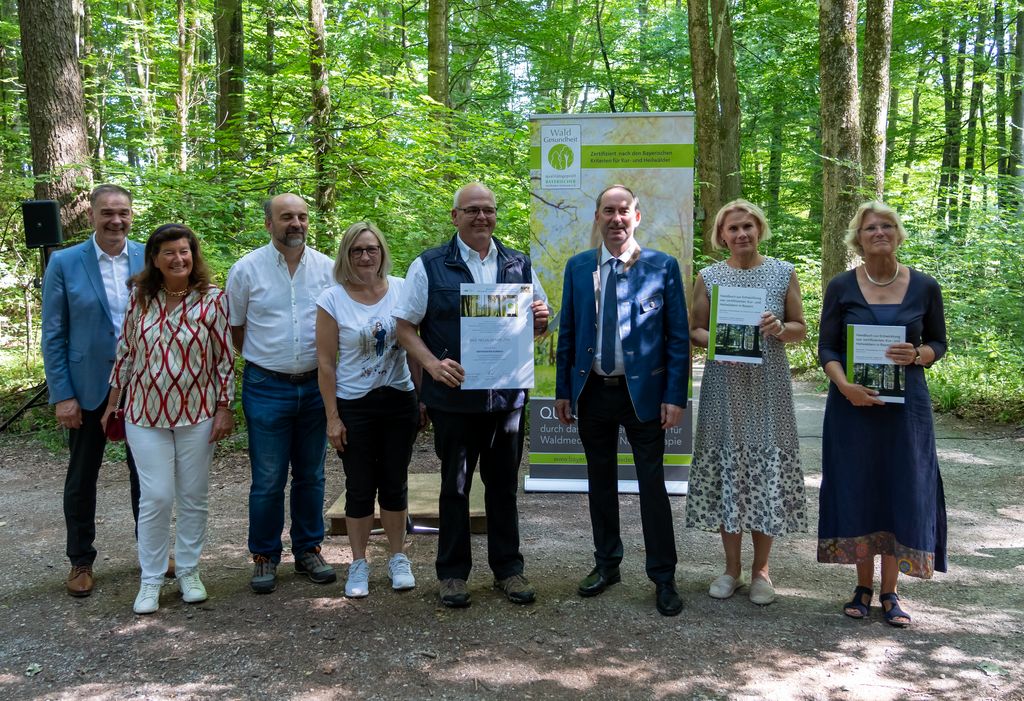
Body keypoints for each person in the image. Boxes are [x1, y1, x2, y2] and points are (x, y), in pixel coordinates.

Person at [394, 182, 550, 608]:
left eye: (489, 210)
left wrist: (541, 318)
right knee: (455, 487)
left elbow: (539, 324)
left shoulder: (519, 264)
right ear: (455, 216)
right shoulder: (429, 265)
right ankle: (452, 574)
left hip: (506, 400)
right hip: (454, 399)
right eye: (473, 210)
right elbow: (405, 327)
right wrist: (430, 365)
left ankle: (509, 569)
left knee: (502, 487)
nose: (482, 217)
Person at [554, 184, 690, 617]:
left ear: (637, 216)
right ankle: (607, 564)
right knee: (600, 483)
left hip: (644, 395)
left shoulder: (662, 266)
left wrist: (675, 395)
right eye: (608, 211)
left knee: (652, 486)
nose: (616, 219)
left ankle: (663, 577)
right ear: (597, 217)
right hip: (592, 392)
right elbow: (569, 334)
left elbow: (677, 339)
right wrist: (563, 389)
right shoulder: (578, 268)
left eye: (623, 211)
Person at [817, 200, 947, 628]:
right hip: (851, 407)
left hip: (905, 410)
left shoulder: (925, 286)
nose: (880, 232)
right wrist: (845, 386)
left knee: (900, 487)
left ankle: (891, 592)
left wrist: (920, 353)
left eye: (887, 225)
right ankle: (862, 586)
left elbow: (939, 344)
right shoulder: (841, 286)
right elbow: (828, 348)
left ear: (898, 233)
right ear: (858, 237)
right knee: (859, 486)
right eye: (871, 227)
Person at [103, 224, 234, 614]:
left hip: (198, 412)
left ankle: (189, 571)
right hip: (144, 413)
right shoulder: (139, 298)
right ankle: (151, 579)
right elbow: (125, 352)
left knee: (194, 496)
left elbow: (225, 358)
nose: (179, 259)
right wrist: (113, 402)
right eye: (169, 253)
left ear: (193, 255)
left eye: (185, 251)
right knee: (157, 496)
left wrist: (225, 407)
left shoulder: (213, 299)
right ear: (155, 260)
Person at [684, 199, 808, 606]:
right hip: (724, 388)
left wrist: (778, 328)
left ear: (760, 230)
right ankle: (731, 569)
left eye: (748, 227)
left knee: (765, 471)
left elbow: (800, 329)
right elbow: (695, 331)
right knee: (729, 473)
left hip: (768, 387)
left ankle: (762, 572)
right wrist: (719, 336)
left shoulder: (782, 272)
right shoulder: (710, 276)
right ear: (722, 236)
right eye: (733, 228)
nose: (741, 234)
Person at [226, 193, 337, 594]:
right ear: (268, 224)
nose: (296, 223)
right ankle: (265, 555)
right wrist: (268, 358)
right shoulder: (246, 270)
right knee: (269, 478)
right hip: (265, 385)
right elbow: (236, 329)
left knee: (311, 474)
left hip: (315, 385)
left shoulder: (327, 268)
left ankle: (308, 549)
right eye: (286, 217)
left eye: (302, 217)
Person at [41, 184, 144, 597]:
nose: (115, 220)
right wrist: (62, 394)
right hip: (86, 389)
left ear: (131, 215)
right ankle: (80, 560)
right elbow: (54, 333)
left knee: (148, 476)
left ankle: (151, 554)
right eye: (107, 212)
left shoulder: (146, 256)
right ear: (92, 216)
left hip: (141, 385)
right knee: (82, 478)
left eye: (123, 212)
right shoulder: (65, 262)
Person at [316, 222, 424, 598]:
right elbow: (326, 364)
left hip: (398, 399)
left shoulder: (401, 289)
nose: (365, 256)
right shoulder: (332, 299)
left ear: (382, 252)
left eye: (372, 249)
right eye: (357, 250)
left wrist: (421, 397)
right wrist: (332, 417)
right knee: (360, 486)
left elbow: (415, 345)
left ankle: (398, 557)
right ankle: (358, 563)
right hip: (354, 404)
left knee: (394, 483)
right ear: (346, 255)